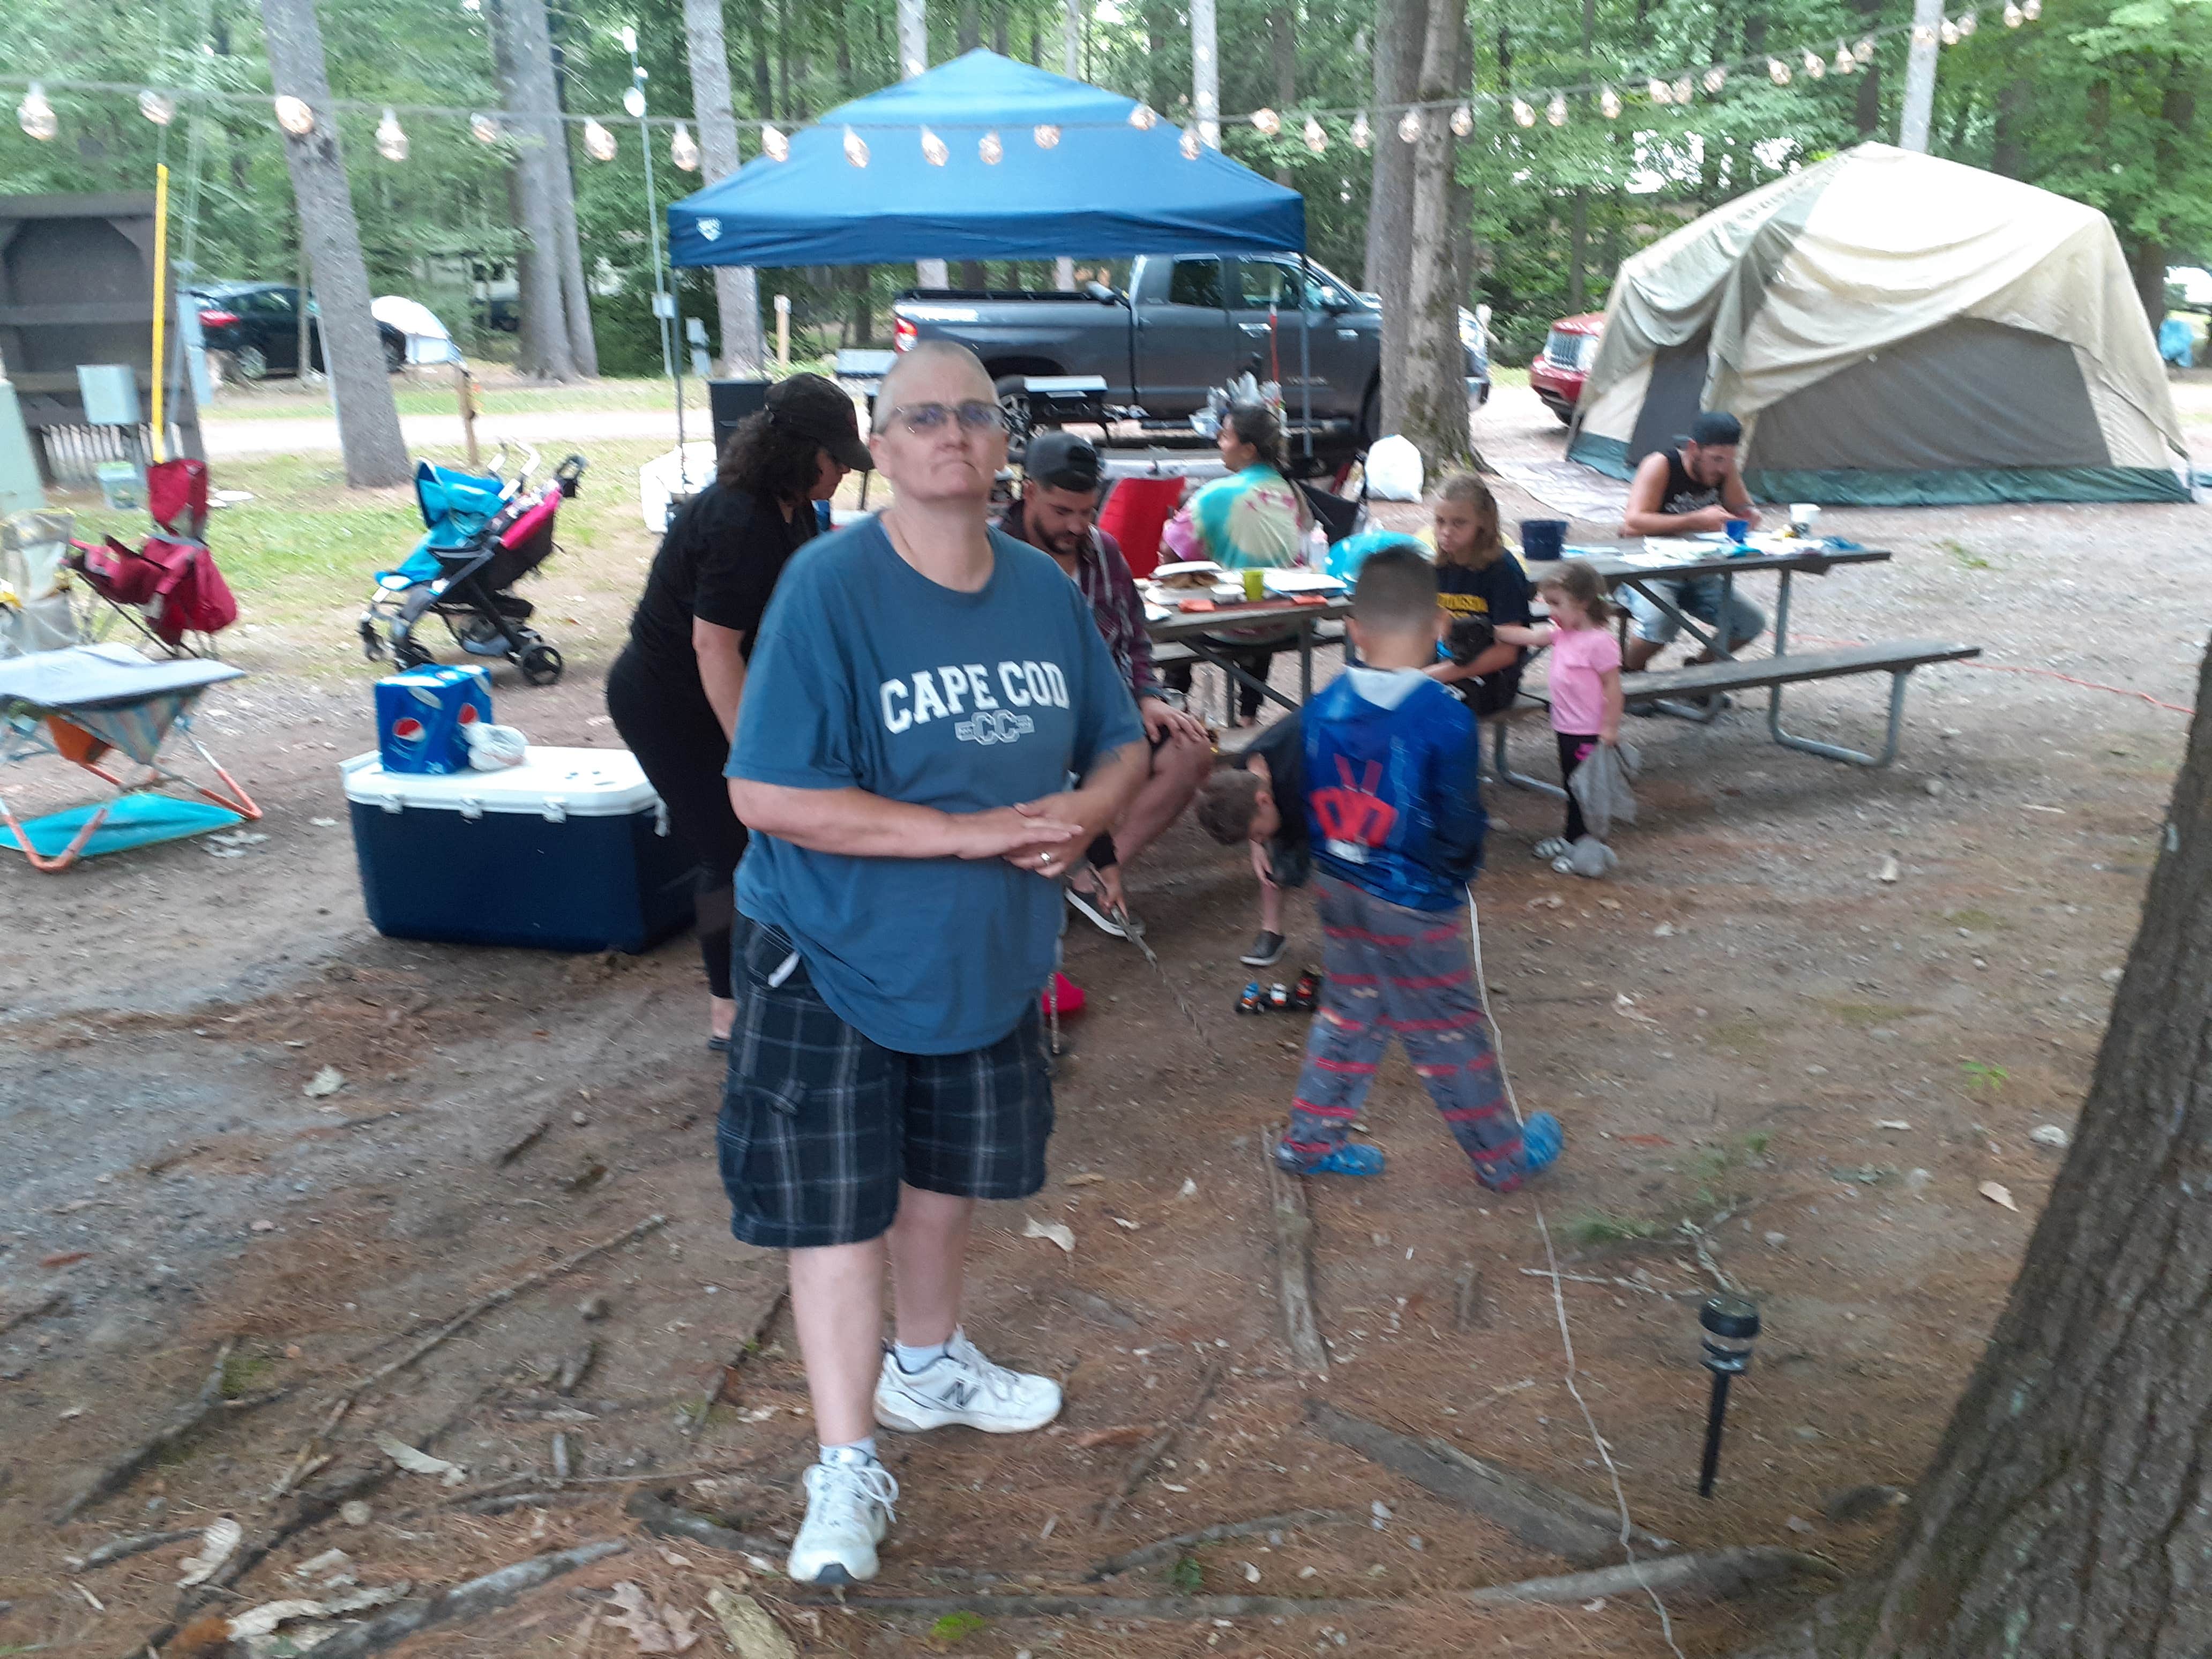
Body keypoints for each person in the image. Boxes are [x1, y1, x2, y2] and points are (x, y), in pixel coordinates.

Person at [721, 341, 1148, 1587]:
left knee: (942, 1178)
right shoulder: (827, 588)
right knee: (836, 1208)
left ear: (1002, 440)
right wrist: (967, 833)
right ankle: (845, 1461)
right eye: (919, 417)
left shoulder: (1042, 591)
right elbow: (765, 793)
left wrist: (1088, 812)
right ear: (880, 447)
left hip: (982, 953)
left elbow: (1119, 740)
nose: (949, 431)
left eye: (972, 412)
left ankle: (926, 1365)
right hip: (830, 948)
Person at [1254, 544, 1561, 1187]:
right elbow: (1459, 818)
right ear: (1440, 627)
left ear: (1354, 630)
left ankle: (1309, 1142)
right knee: (1447, 1027)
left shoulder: (1323, 704)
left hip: (1339, 885)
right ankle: (1502, 1156)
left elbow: (1305, 793)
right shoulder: (1445, 716)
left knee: (1350, 1012)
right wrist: (1457, 873)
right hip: (1414, 900)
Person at [607, 373, 869, 1049]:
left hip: (723, 687)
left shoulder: (795, 510)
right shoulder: (738, 521)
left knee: (784, 828)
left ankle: (794, 969)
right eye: (836, 458)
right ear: (799, 452)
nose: (844, 471)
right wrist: (753, 757)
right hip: (667, 701)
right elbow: (713, 646)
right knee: (730, 844)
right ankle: (727, 1008)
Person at [998, 430, 1215, 932]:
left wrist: (1148, 695)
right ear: (1028, 492)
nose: (1077, 526)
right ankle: (1034, 888)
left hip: (1106, 722)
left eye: (1088, 512)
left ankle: (1091, 876)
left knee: (1191, 748)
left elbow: (1135, 640)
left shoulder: (1105, 552)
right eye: (1062, 511)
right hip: (1029, 730)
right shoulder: (992, 559)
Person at [1157, 400, 1314, 724]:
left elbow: (1170, 554)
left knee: (1175, 611)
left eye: (1225, 436)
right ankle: (1248, 713)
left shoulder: (1217, 494)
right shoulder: (1289, 490)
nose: (1219, 441)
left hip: (1235, 626)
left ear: (1248, 449)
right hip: (1290, 621)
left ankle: (1176, 702)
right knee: (1259, 592)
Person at [1618, 410, 1766, 674]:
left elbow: (1742, 506)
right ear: (1694, 448)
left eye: (1730, 460)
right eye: (1716, 459)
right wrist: (1695, 520)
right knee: (1661, 623)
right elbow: (1634, 522)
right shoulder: (1661, 465)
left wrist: (1749, 514)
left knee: (1749, 622)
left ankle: (1699, 673)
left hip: (1698, 570)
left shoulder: (1725, 470)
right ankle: (1628, 676)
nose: (1722, 468)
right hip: (1648, 569)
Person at [1494, 561, 1624, 861]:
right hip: (1566, 727)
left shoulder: (1599, 643)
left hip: (1589, 732)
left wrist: (1610, 727)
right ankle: (1573, 840)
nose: (1550, 611)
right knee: (1571, 784)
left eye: (1556, 604)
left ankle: (1583, 846)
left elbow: (1613, 687)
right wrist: (1492, 629)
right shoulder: (1561, 633)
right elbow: (1528, 637)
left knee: (1583, 790)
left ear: (1583, 603)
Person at [1192, 706, 1308, 969]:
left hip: (1333, 776)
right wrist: (1258, 846)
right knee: (1273, 862)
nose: (1257, 838)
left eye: (1256, 834)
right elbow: (1257, 822)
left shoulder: (1298, 773)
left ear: (1263, 800)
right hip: (1286, 801)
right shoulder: (1245, 771)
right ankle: (1272, 931)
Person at [1422, 473, 1533, 715]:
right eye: (1440, 521)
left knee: (1428, 710)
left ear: (1483, 522)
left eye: (1459, 523)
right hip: (1445, 666)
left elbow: (1507, 653)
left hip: (1492, 679)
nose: (1446, 531)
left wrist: (1435, 674)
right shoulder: (1436, 568)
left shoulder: (1502, 571)